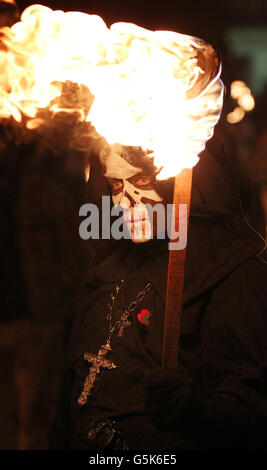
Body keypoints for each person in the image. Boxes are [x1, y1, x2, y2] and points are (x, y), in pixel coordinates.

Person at [54, 133, 267, 451]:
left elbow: (254, 410)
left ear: (177, 181)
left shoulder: (231, 276)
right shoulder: (107, 275)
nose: (126, 200)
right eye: (115, 185)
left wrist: (199, 412)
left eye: (141, 178)